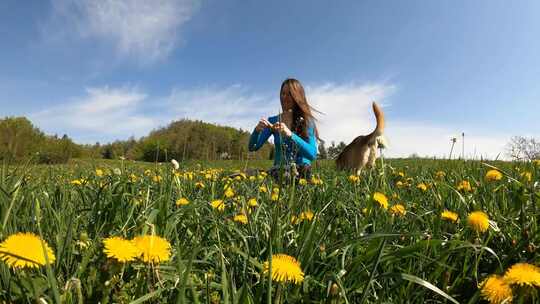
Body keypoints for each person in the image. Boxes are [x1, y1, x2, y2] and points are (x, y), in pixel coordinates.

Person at [248, 78, 320, 181]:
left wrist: (290, 134)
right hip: (278, 171)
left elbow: (312, 154)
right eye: (283, 94)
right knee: (246, 174)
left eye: (289, 94)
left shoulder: (306, 121)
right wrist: (256, 131)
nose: (285, 97)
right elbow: (253, 147)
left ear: (297, 96)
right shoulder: (273, 121)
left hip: (301, 172)